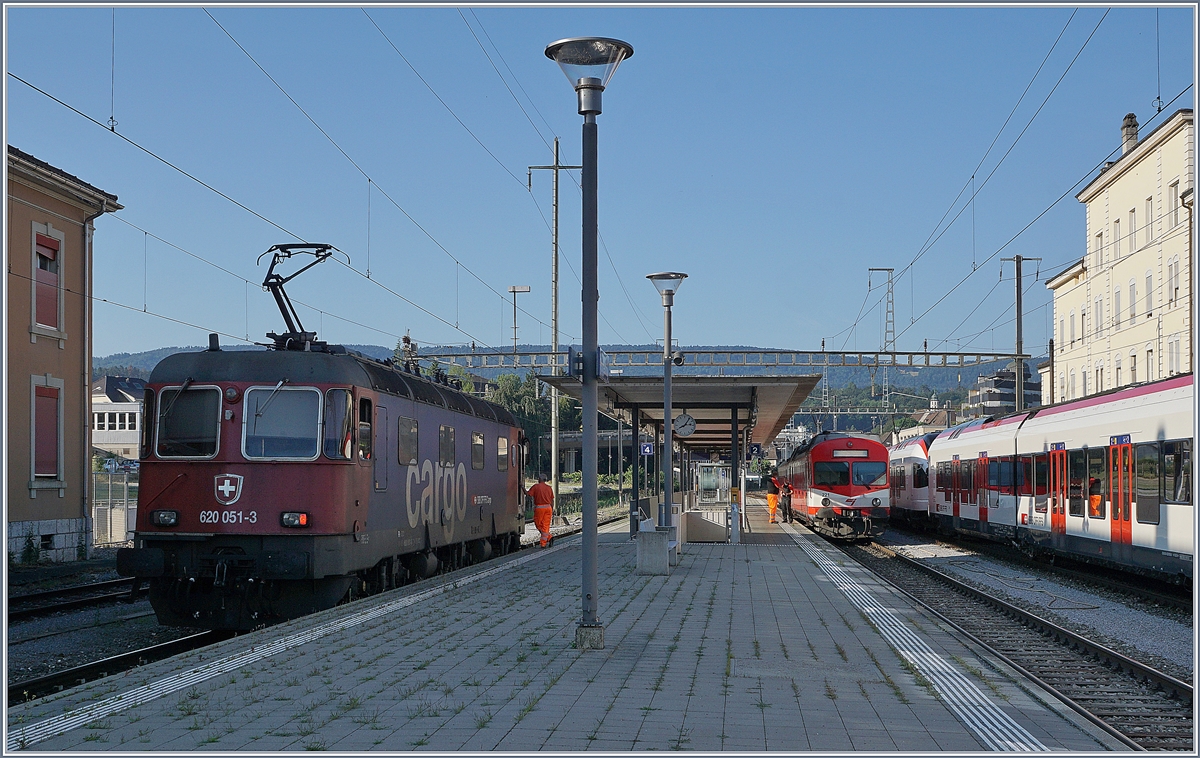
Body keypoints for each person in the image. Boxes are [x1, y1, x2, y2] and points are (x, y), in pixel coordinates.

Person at [529, 472, 555, 548]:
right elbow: (552, 500)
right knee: (545, 526)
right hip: (548, 508)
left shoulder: (536, 487)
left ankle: (544, 542)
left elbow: (528, 494)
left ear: (539, 479)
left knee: (539, 525)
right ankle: (548, 538)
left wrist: (522, 487)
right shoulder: (549, 488)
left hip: (539, 509)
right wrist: (552, 508)